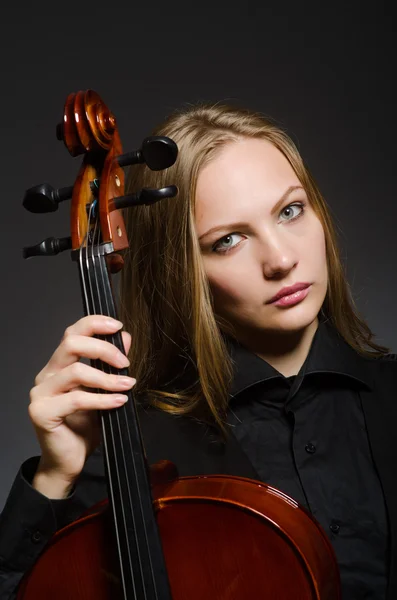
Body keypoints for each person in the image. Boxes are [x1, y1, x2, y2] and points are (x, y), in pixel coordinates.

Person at [0, 103, 396, 600]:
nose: (281, 259)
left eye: (290, 211)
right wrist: (55, 477)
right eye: (228, 240)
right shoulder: (132, 449)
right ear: (180, 269)